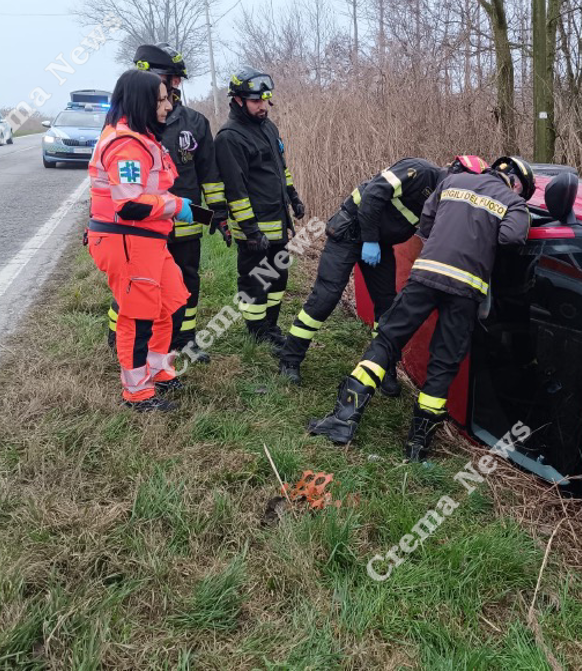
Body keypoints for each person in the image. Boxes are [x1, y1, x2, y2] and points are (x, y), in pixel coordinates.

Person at [309, 156, 535, 461]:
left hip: (425, 276)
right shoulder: (513, 203)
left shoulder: (452, 182)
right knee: (443, 362)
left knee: (388, 339)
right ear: (518, 184)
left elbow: (426, 223)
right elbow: (512, 237)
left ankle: (343, 419)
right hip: (465, 292)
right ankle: (416, 446)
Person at [278, 155, 490, 392]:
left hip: (380, 245)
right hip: (350, 232)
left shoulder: (447, 199)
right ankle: (290, 358)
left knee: (387, 307)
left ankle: (383, 369)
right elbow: (373, 194)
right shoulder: (418, 171)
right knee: (326, 297)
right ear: (455, 172)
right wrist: (369, 240)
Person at [107, 44, 229, 363]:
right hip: (140, 227)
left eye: (177, 81)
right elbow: (111, 188)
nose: (174, 87)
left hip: (185, 221)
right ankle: (121, 336)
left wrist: (219, 216)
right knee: (135, 285)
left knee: (185, 281)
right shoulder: (127, 130)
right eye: (169, 79)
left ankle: (184, 339)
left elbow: (210, 175)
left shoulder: (195, 122)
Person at [87, 69, 192, 413]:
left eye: (168, 98)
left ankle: (158, 370)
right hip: (127, 241)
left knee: (170, 301)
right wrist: (176, 206)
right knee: (138, 314)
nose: (167, 106)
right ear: (141, 101)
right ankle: (137, 393)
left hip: (147, 240)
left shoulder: (142, 138)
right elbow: (130, 204)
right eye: (160, 99)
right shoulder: (127, 146)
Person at [214, 67, 305, 346]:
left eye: (265, 100)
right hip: (254, 229)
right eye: (256, 101)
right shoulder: (230, 137)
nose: (263, 106)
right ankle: (257, 333)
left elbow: (281, 169)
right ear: (238, 100)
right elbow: (236, 191)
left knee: (277, 278)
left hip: (278, 221)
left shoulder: (268, 127)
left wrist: (293, 196)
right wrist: (251, 231)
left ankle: (270, 326)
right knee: (255, 282)